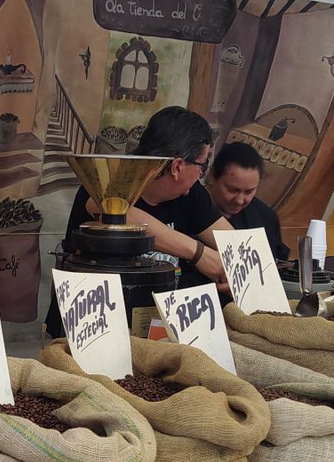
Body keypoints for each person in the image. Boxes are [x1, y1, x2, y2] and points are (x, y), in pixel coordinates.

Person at [46, 107, 232, 338]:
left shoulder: (190, 194)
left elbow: (234, 243)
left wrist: (232, 271)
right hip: (92, 326)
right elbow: (122, 214)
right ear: (177, 167)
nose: (201, 175)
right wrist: (199, 254)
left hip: (154, 329)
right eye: (202, 166)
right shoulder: (104, 181)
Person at [207, 141, 289, 262]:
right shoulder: (188, 210)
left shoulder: (266, 218)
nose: (240, 201)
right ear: (212, 175)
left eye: (249, 192)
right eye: (232, 190)